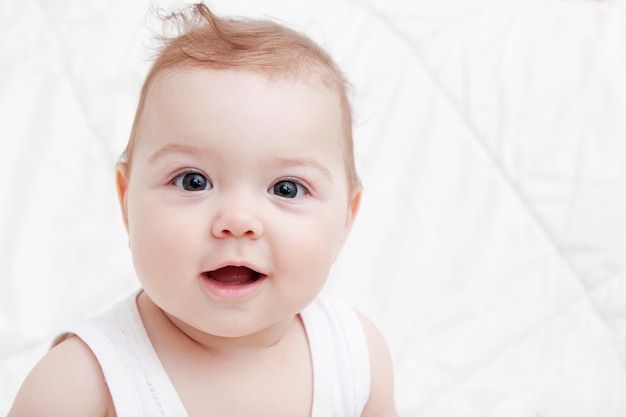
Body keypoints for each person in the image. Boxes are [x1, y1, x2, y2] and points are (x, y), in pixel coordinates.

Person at [8, 3, 397, 416]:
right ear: (126, 201)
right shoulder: (81, 384)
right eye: (193, 181)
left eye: (286, 188)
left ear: (345, 221)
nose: (237, 222)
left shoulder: (356, 359)